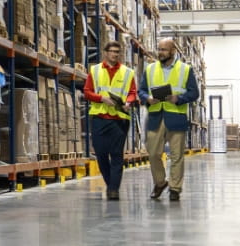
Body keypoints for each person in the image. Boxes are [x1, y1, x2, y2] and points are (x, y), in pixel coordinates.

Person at [141, 38, 200, 201]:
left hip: (176, 117)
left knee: (176, 156)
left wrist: (178, 98)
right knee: (153, 153)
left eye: (164, 50)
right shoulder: (150, 69)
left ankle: (175, 188)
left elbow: (194, 93)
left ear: (173, 51)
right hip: (156, 116)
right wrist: (147, 98)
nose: (160, 52)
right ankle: (160, 182)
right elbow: (141, 91)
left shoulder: (186, 70)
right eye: (159, 49)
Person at [83, 42, 137, 200]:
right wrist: (102, 99)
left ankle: (114, 189)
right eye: (112, 51)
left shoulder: (127, 72)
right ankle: (110, 184)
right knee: (101, 154)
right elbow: (87, 92)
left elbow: (132, 92)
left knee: (116, 155)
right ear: (105, 52)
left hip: (119, 119)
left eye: (117, 52)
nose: (114, 54)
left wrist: (128, 102)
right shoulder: (95, 70)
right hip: (99, 118)